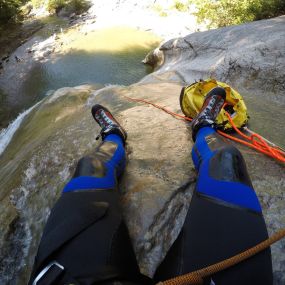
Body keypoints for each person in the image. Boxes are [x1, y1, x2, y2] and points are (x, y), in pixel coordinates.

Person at [29, 87, 273, 285]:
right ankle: (204, 127)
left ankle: (114, 134)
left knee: (90, 165)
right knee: (227, 160)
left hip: (66, 276)